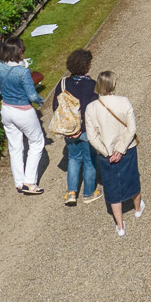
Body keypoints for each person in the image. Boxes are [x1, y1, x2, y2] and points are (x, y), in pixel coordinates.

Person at [0, 36, 46, 195]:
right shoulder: (23, 72)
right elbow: (31, 96)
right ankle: (29, 182)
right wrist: (40, 100)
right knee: (37, 143)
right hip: (23, 111)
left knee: (15, 147)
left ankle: (19, 183)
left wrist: (1, 92)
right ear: (18, 52)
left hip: (6, 110)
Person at [86, 70, 143, 236]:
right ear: (113, 84)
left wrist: (107, 152)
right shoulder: (124, 102)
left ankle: (120, 226)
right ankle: (138, 209)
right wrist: (120, 149)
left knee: (112, 187)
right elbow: (131, 128)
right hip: (127, 149)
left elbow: (92, 136)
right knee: (132, 178)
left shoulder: (91, 108)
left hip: (106, 154)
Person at [51, 49, 100, 207]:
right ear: (86, 66)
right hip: (85, 130)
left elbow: (56, 107)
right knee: (89, 160)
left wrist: (67, 127)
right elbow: (92, 110)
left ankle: (71, 192)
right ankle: (89, 192)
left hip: (69, 129)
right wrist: (83, 128)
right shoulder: (92, 85)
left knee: (73, 158)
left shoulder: (63, 83)